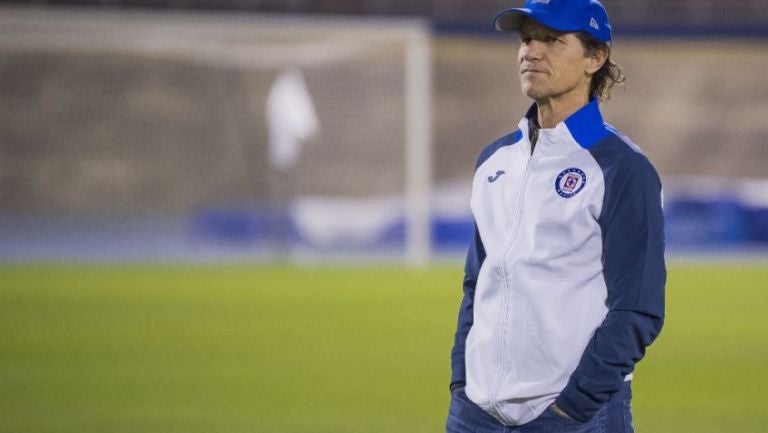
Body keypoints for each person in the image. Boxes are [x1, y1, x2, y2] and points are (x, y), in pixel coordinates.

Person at [446, 1, 666, 432]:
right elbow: (478, 282)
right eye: (527, 38)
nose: (532, 51)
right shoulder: (493, 161)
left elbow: (638, 308)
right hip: (475, 415)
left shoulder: (621, 167)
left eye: (551, 40)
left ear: (594, 58)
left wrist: (571, 409)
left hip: (572, 417)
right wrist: (461, 383)